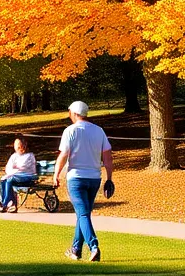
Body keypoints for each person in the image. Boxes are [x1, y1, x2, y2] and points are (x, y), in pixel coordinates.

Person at [54, 101, 112, 263]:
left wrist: (56, 174)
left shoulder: (70, 131)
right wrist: (109, 178)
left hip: (76, 178)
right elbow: (107, 156)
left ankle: (94, 246)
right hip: (94, 178)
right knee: (83, 214)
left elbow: (64, 154)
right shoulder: (99, 131)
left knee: (83, 214)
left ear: (73, 113)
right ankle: (75, 249)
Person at [0, 136, 37, 213]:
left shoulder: (30, 155)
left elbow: (23, 167)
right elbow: (8, 168)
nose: (16, 147)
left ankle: (4, 203)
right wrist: (14, 169)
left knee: (9, 180)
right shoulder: (14, 156)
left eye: (18, 145)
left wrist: (15, 168)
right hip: (15, 176)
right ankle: (12, 204)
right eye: (15, 145)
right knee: (3, 181)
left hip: (27, 177)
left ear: (23, 145)